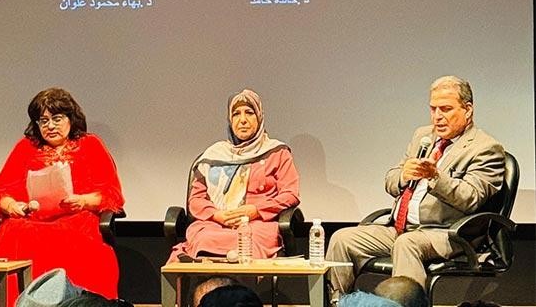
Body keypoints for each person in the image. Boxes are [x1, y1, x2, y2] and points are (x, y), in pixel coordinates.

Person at [325, 76, 506, 304]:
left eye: (446, 109)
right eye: (433, 109)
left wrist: (435, 177)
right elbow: (390, 180)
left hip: (447, 234)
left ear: (468, 110)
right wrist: (403, 176)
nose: (437, 116)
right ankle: (337, 303)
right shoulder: (423, 136)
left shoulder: (485, 148)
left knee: (407, 243)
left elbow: (471, 198)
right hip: (401, 228)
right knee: (342, 239)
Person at [0, 88, 125, 307]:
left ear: (71, 119)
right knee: (13, 230)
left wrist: (82, 200)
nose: (50, 126)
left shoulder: (91, 145)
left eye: (57, 118)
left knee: (77, 233)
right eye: (43, 120)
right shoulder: (25, 148)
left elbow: (110, 194)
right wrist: (13, 205)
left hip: (76, 218)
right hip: (31, 219)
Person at [168, 89, 300, 262]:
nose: (242, 120)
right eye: (236, 114)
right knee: (204, 239)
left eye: (249, 113)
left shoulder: (277, 153)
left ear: (259, 117)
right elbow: (196, 199)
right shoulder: (214, 155)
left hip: (258, 224)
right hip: (215, 224)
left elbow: (290, 194)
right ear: (230, 120)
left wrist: (256, 210)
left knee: (248, 243)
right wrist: (217, 215)